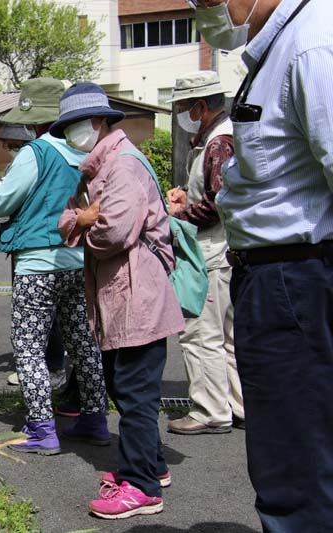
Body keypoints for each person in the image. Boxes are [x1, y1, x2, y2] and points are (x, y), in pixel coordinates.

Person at [191, 0, 333, 530]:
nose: (205, 10)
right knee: (289, 451)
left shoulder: (313, 43)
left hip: (295, 274)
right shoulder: (278, 48)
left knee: (295, 463)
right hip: (274, 274)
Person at [54, 82, 185, 519]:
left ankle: (142, 487)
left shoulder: (123, 166)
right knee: (126, 389)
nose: (73, 134)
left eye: (76, 125)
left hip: (137, 298)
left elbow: (113, 232)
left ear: (100, 121)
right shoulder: (98, 170)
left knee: (133, 394)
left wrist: (83, 223)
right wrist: (82, 217)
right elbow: (68, 216)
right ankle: (151, 466)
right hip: (121, 298)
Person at [0, 78, 110, 455]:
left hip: (36, 265)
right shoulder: (87, 154)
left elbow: (1, 203)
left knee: (28, 347)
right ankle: (95, 418)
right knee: (83, 343)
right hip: (78, 261)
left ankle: (43, 429)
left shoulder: (36, 152)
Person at [164, 71, 244, 435]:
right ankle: (238, 405)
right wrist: (187, 196)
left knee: (200, 333)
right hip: (222, 248)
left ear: (200, 106)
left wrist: (180, 212)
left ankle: (210, 410)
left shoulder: (218, 143)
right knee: (226, 336)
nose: (183, 114)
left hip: (210, 250)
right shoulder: (219, 139)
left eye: (184, 107)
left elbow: (217, 204)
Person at [0, 123, 69, 390]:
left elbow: (1, 203)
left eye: (13, 145)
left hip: (39, 253)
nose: (10, 150)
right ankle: (65, 385)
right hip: (57, 249)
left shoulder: (37, 155)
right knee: (59, 321)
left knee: (34, 330)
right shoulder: (61, 153)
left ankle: (42, 411)